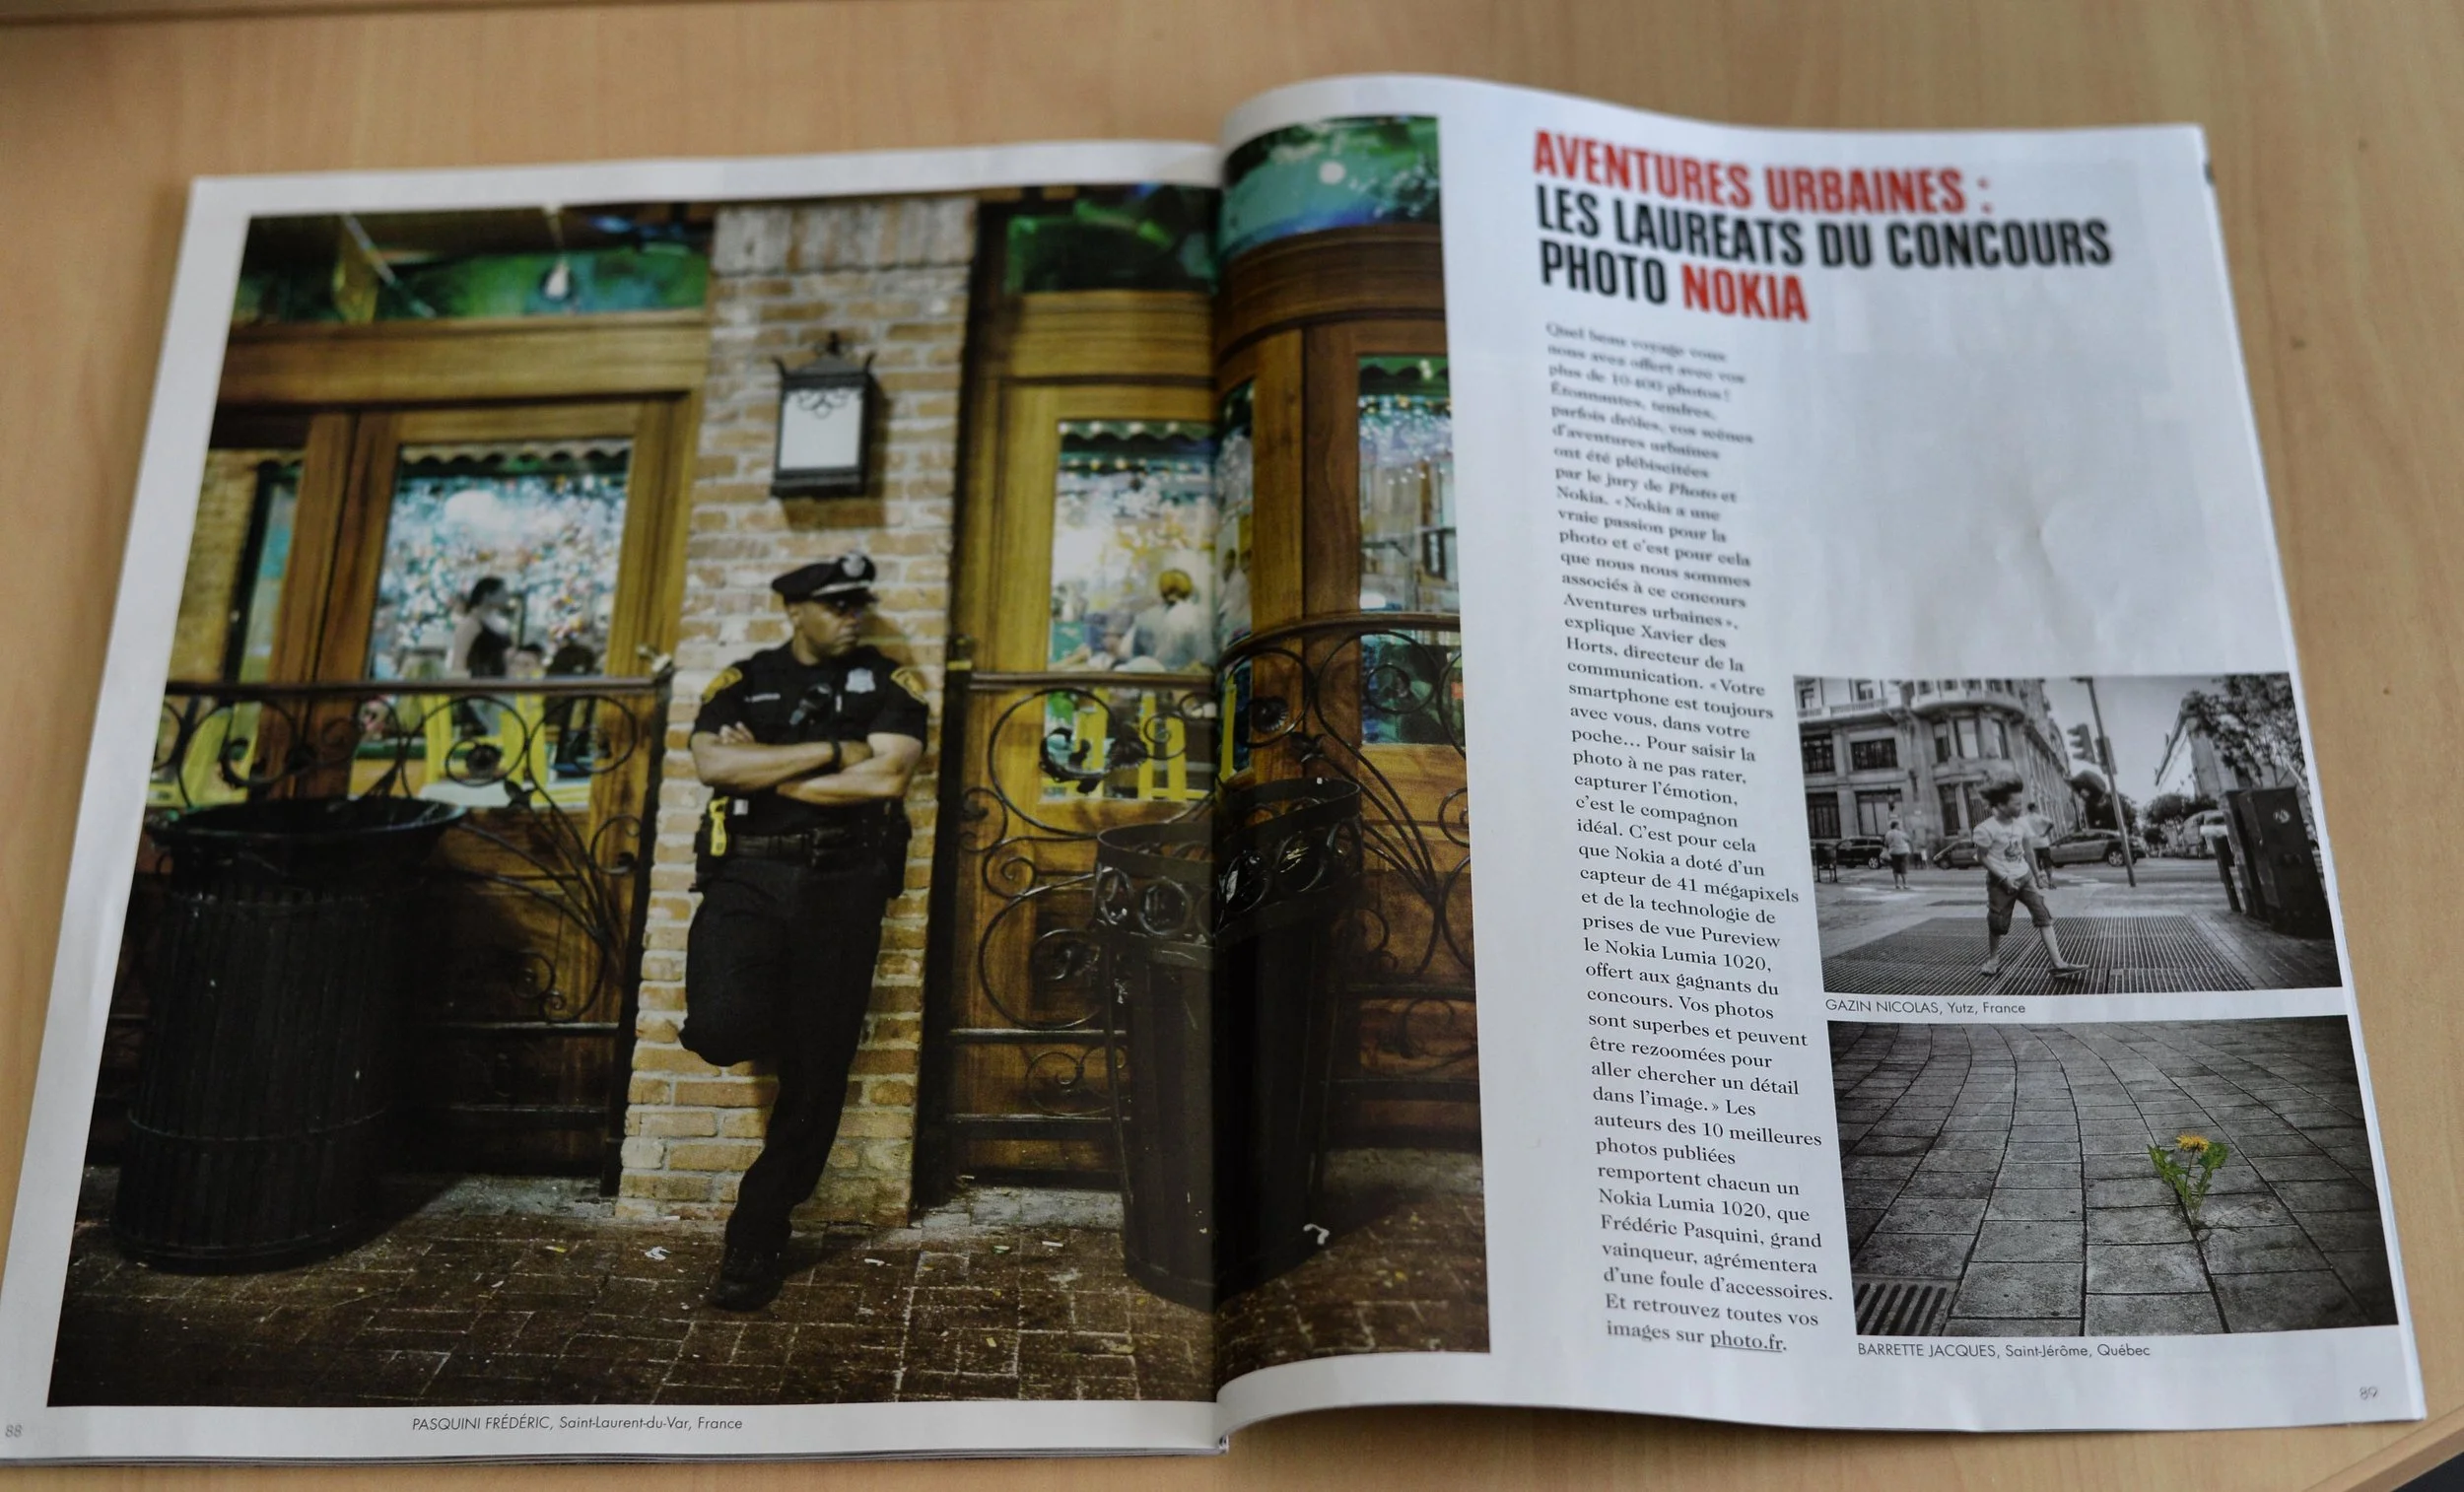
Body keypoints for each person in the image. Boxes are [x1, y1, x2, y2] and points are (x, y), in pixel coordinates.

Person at [683, 554, 928, 1311]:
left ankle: (755, 1236)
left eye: (859, 602)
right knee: (724, 1028)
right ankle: (762, 1017)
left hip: (843, 886)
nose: (853, 612)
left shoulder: (891, 684)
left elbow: (886, 778)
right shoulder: (742, 678)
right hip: (747, 877)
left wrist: (766, 768)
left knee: (817, 1073)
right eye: (835, 603)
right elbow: (709, 763)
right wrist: (828, 752)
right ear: (794, 609)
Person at [1974, 781, 2083, 979]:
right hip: (2000, 883)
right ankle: (1993, 959)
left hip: (2024, 878)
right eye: (2016, 804)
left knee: (2044, 916)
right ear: (2000, 805)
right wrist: (2003, 878)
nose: (2020, 807)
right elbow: (1982, 857)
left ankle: (2058, 964)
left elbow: (2028, 850)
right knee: (1998, 924)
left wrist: (2037, 873)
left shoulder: (2021, 824)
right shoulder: (1985, 829)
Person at [1116, 568, 1209, 671]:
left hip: (1152, 680)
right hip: (1185, 681)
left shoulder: (1146, 617)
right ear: (1188, 588)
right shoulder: (1198, 616)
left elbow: (1136, 658)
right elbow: (1205, 657)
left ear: (1161, 588)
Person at [2023, 799, 2058, 888]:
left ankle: (2039, 883)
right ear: (2034, 808)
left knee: (2036, 864)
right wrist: (2045, 833)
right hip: (2043, 843)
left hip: (2032, 844)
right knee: (2047, 862)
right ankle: (2050, 881)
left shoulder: (2025, 818)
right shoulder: (2040, 817)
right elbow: (2051, 823)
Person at [1883, 819, 1913, 891]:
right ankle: (1905, 884)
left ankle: (1897, 884)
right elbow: (1909, 839)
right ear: (1896, 826)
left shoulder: (1888, 834)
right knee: (1903, 868)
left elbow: (1886, 844)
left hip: (1893, 852)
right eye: (1899, 825)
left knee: (1895, 868)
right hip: (1903, 852)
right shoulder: (1901, 833)